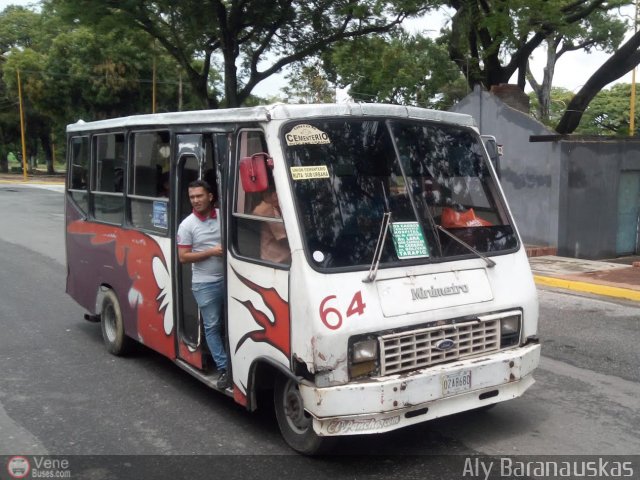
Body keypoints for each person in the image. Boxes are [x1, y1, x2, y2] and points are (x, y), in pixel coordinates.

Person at [177, 179, 230, 389]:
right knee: (212, 326)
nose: (196, 200)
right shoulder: (187, 225)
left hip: (229, 279)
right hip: (205, 284)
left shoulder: (223, 217)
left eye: (199, 196)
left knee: (231, 321)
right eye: (192, 197)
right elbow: (183, 257)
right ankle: (224, 368)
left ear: (210, 196)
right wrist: (211, 252)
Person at [252, 188, 290, 264]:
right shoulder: (268, 209)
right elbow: (282, 238)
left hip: (266, 254)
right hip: (277, 257)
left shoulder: (259, 207)